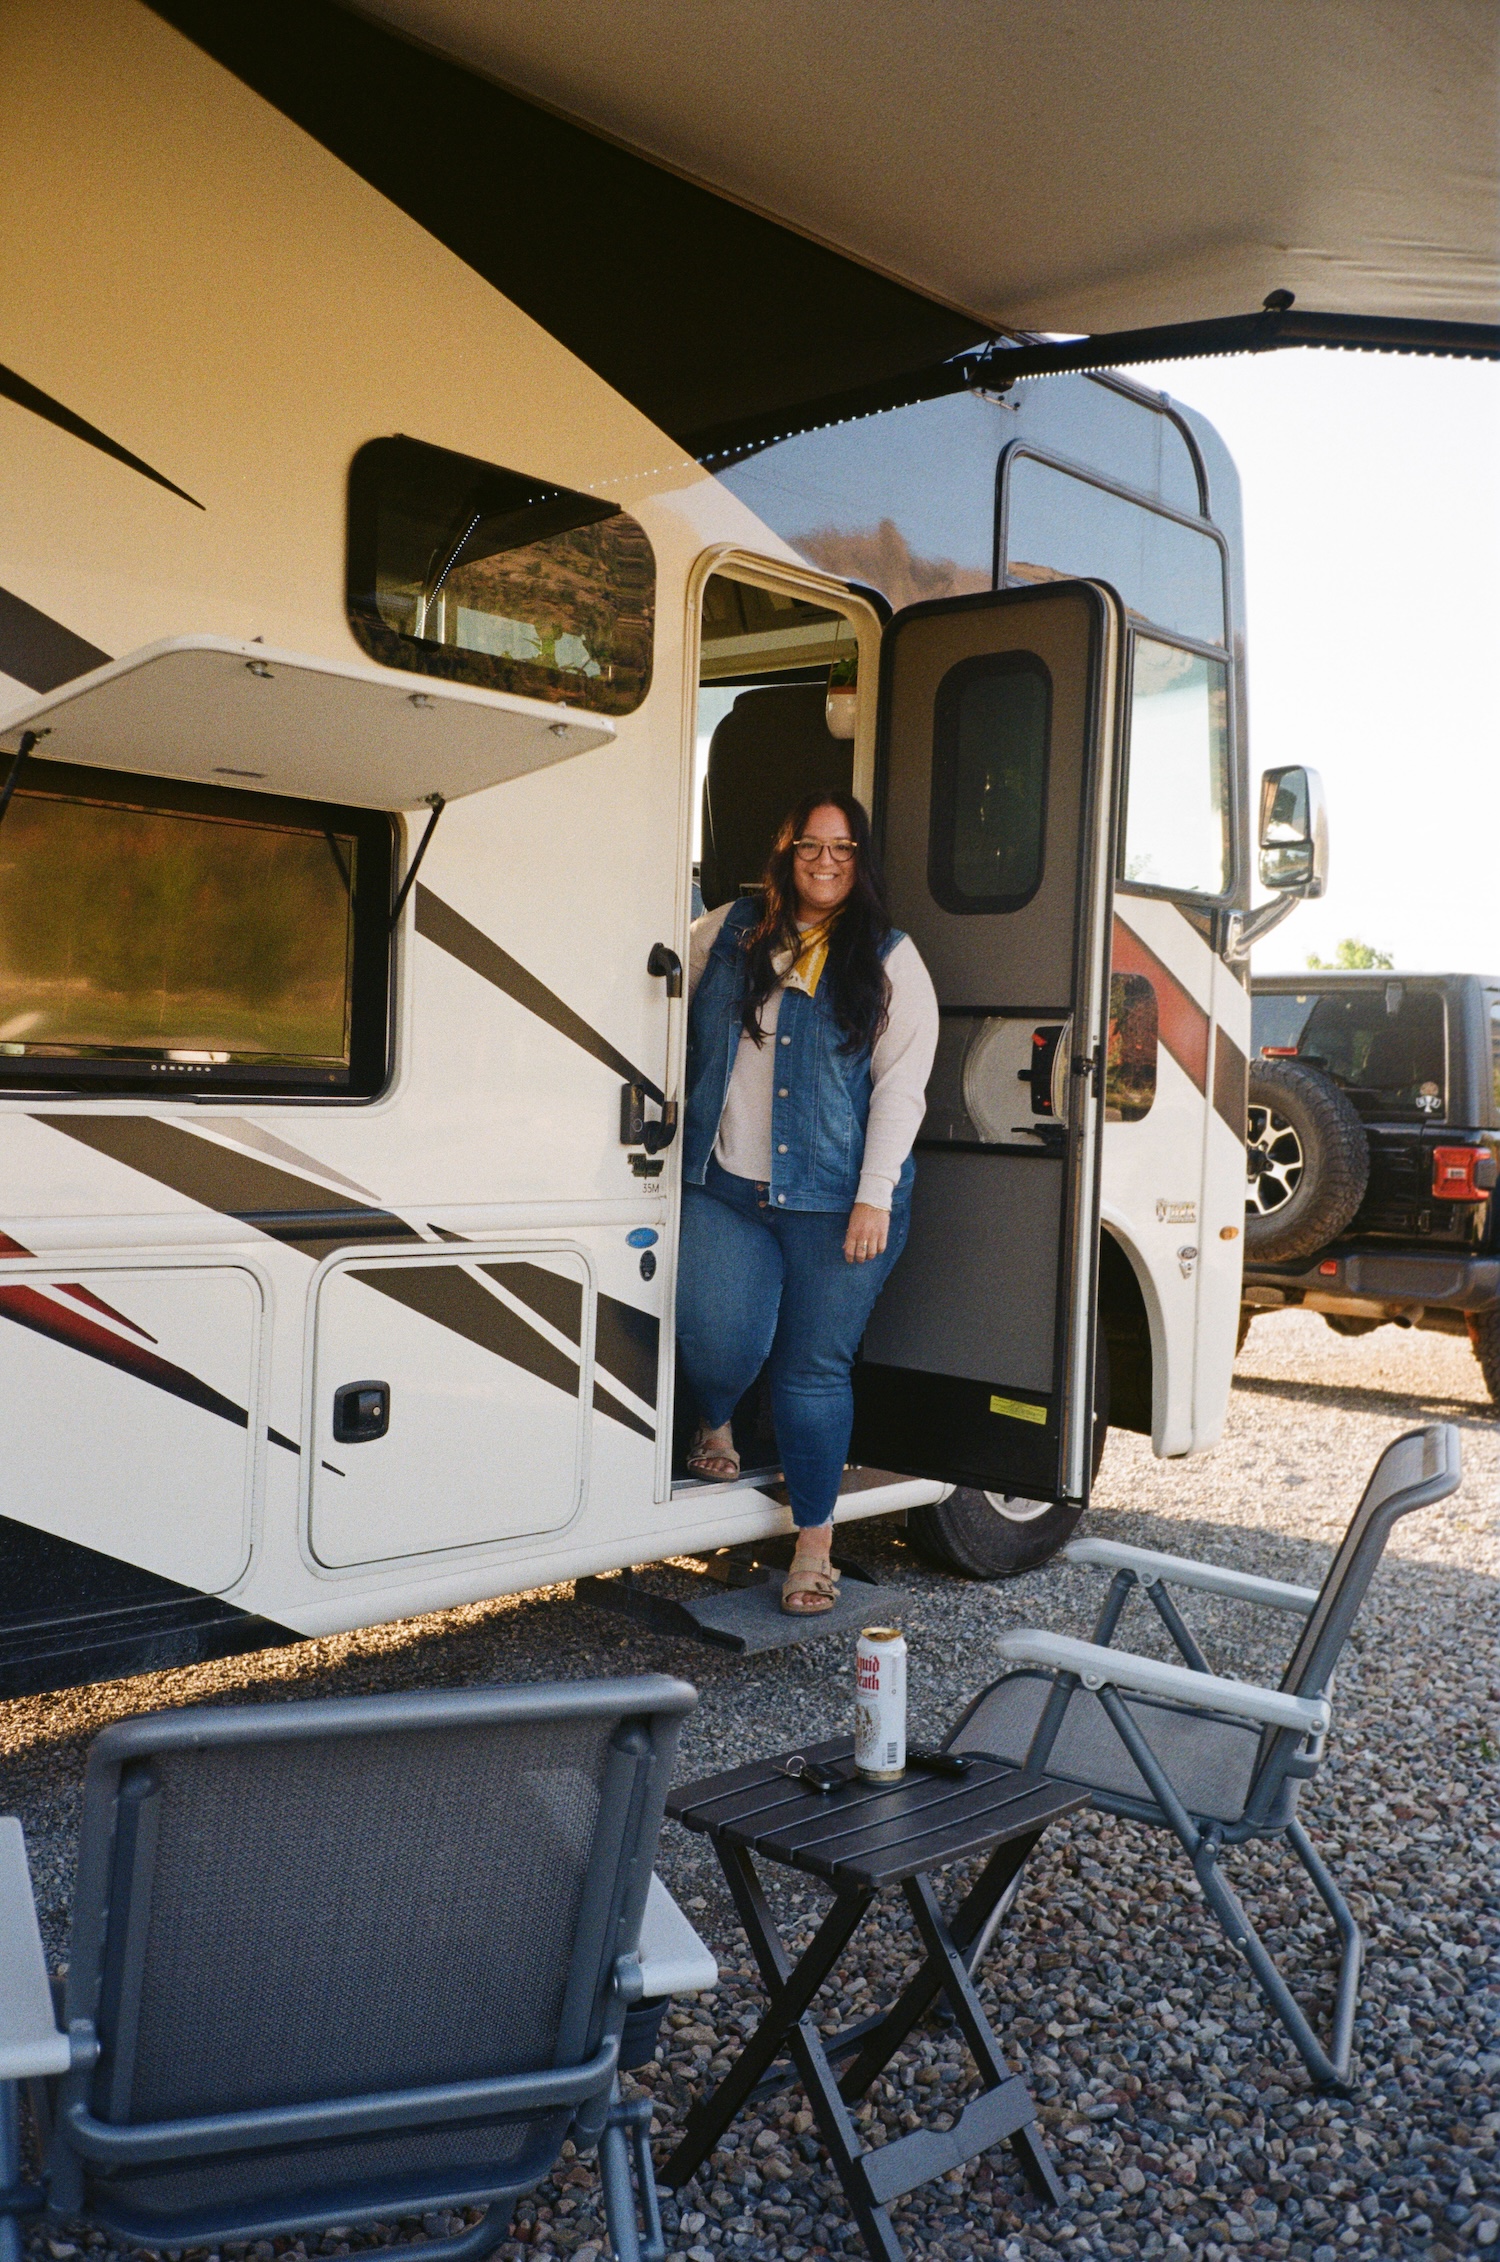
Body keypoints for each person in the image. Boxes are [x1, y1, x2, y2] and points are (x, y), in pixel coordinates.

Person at [677, 790, 939, 1614]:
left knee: (811, 1372)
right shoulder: (727, 932)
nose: (826, 863)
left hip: (838, 1203)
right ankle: (714, 1416)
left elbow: (901, 1092)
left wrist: (875, 1198)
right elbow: (656, 1006)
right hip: (725, 1186)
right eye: (810, 848)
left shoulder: (890, 957)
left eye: (843, 849)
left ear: (860, 862)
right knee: (719, 1340)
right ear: (786, 854)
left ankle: (813, 1547)